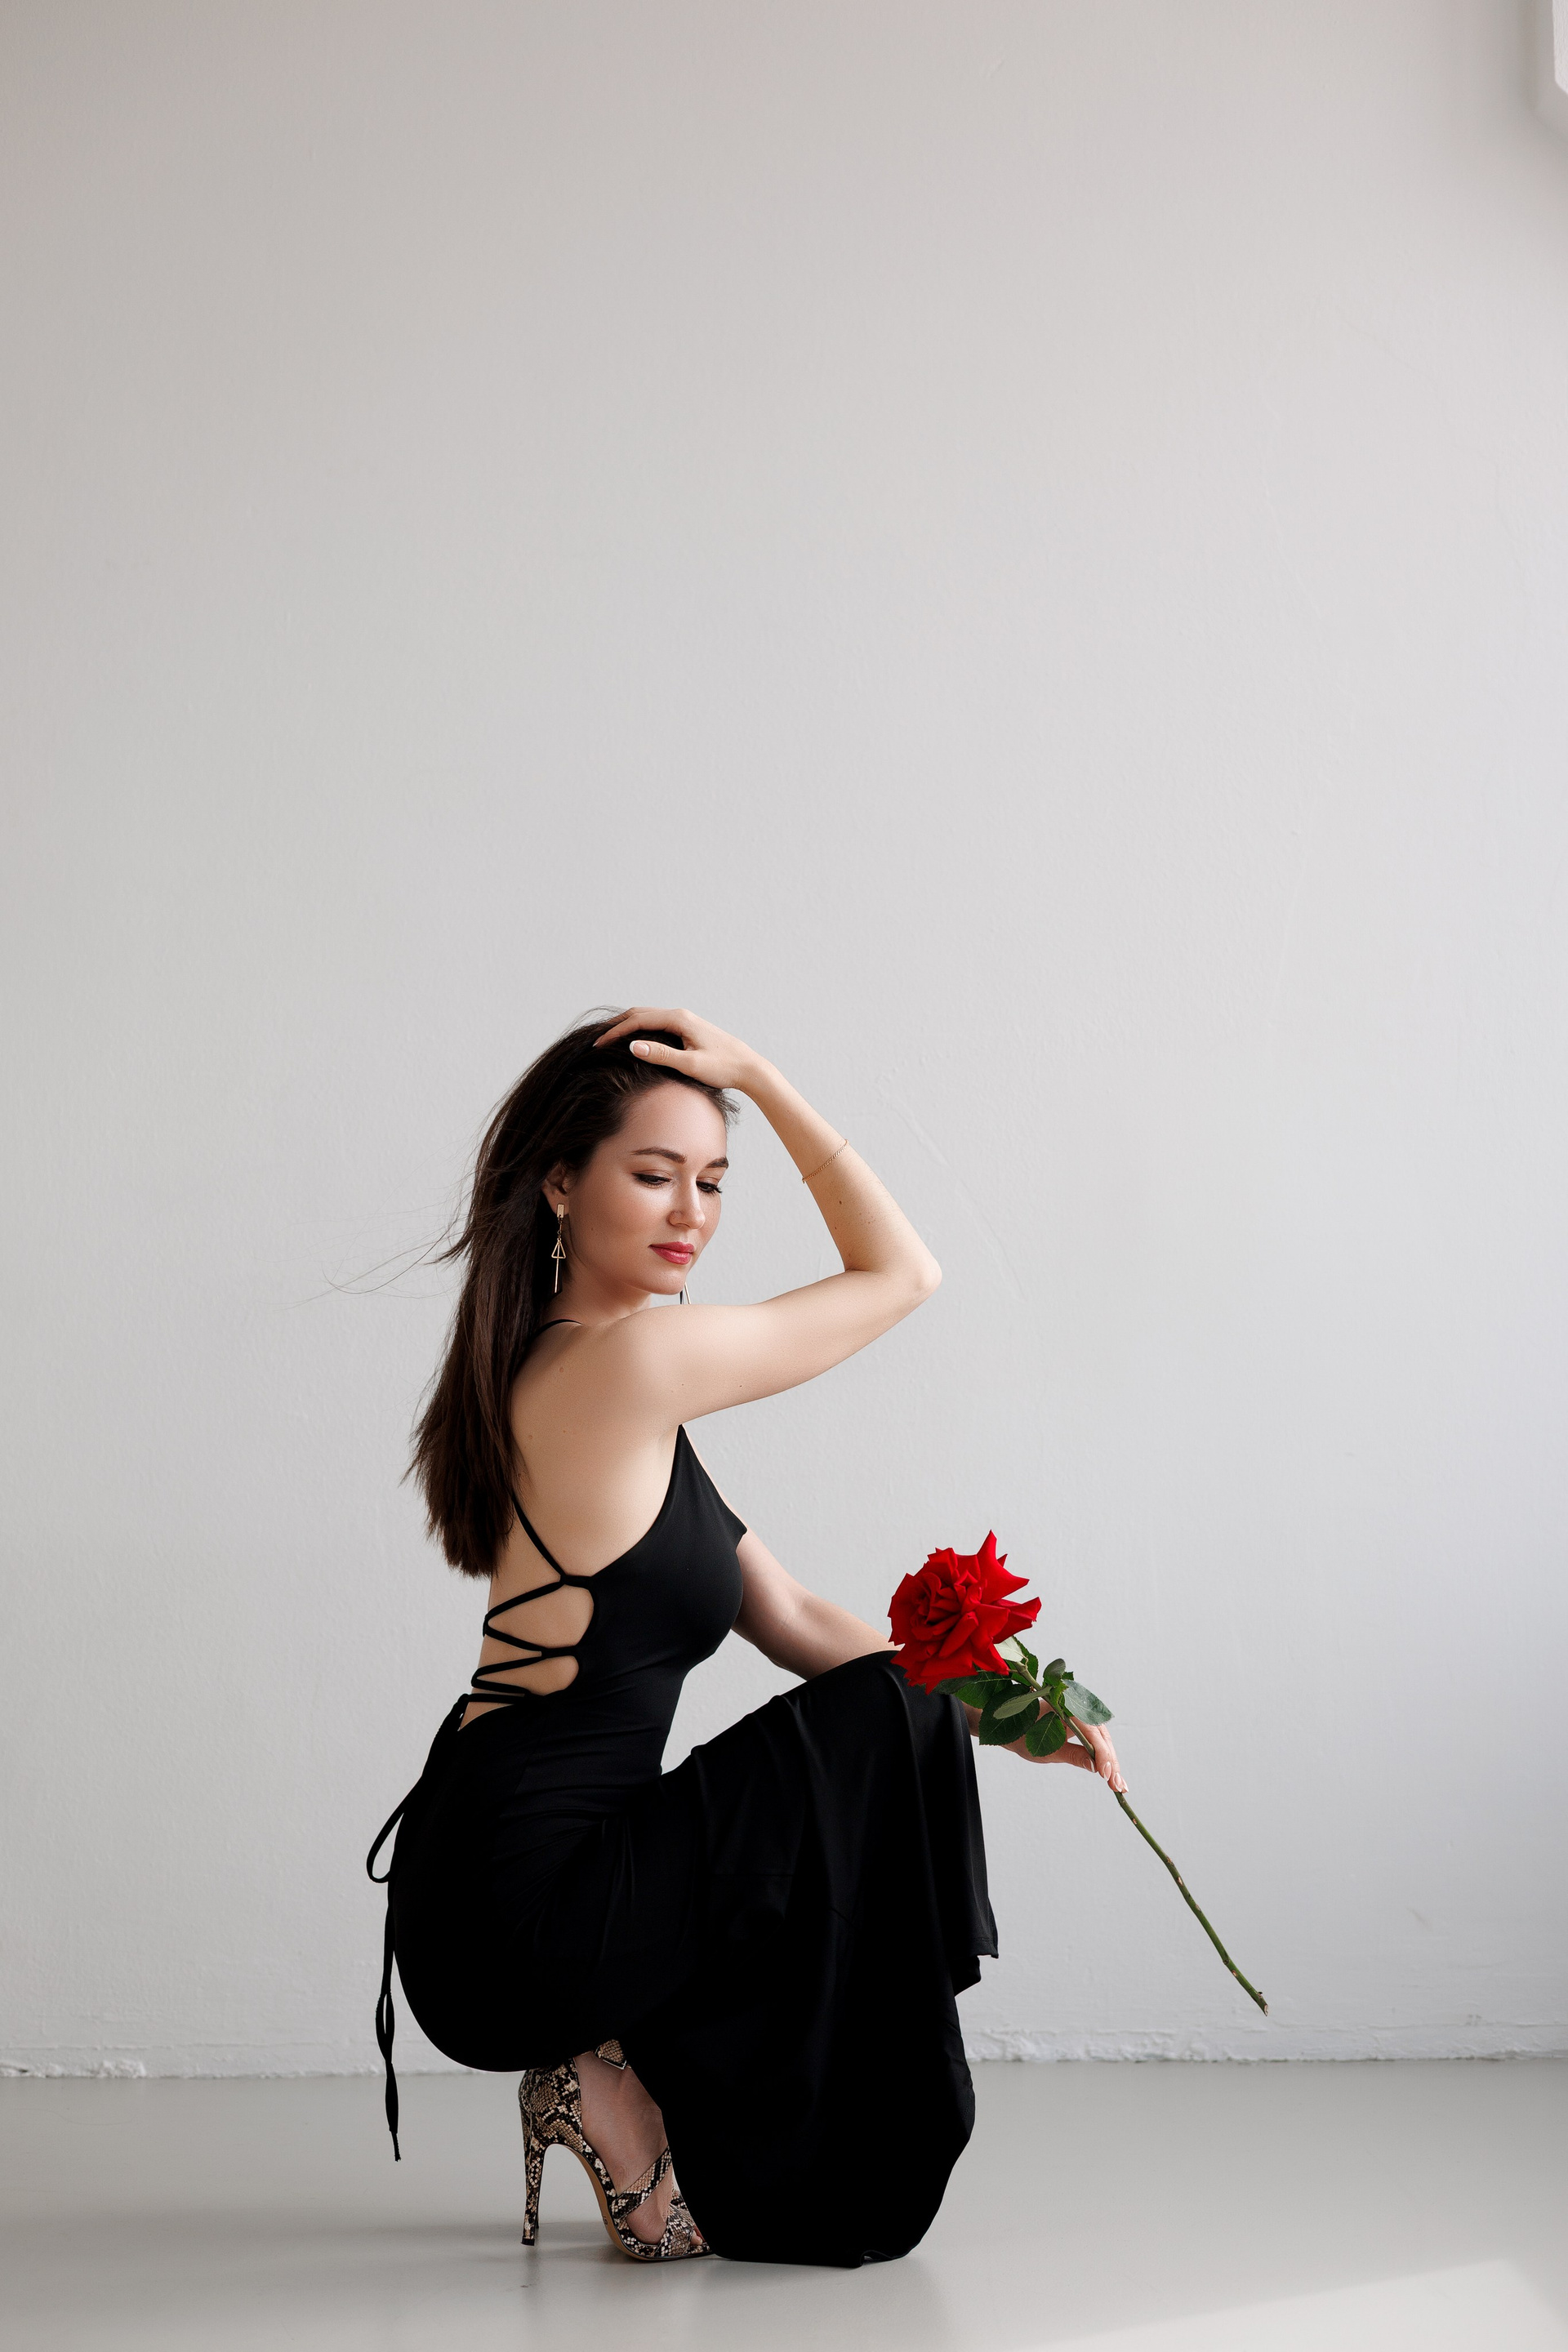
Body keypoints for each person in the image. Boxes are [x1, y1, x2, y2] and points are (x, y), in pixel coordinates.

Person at [367, 1006, 1124, 2269]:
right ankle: (605, 2061)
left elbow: (796, 1620)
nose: (691, 1213)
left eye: (714, 1181)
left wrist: (1015, 1718)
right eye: (654, 1174)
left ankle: (603, 2065)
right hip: (512, 1907)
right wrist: (763, 1079)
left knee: (898, 1701)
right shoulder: (627, 1364)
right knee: (891, 1712)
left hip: (511, 1877)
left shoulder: (608, 1382)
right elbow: (901, 1276)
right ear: (560, 1183)